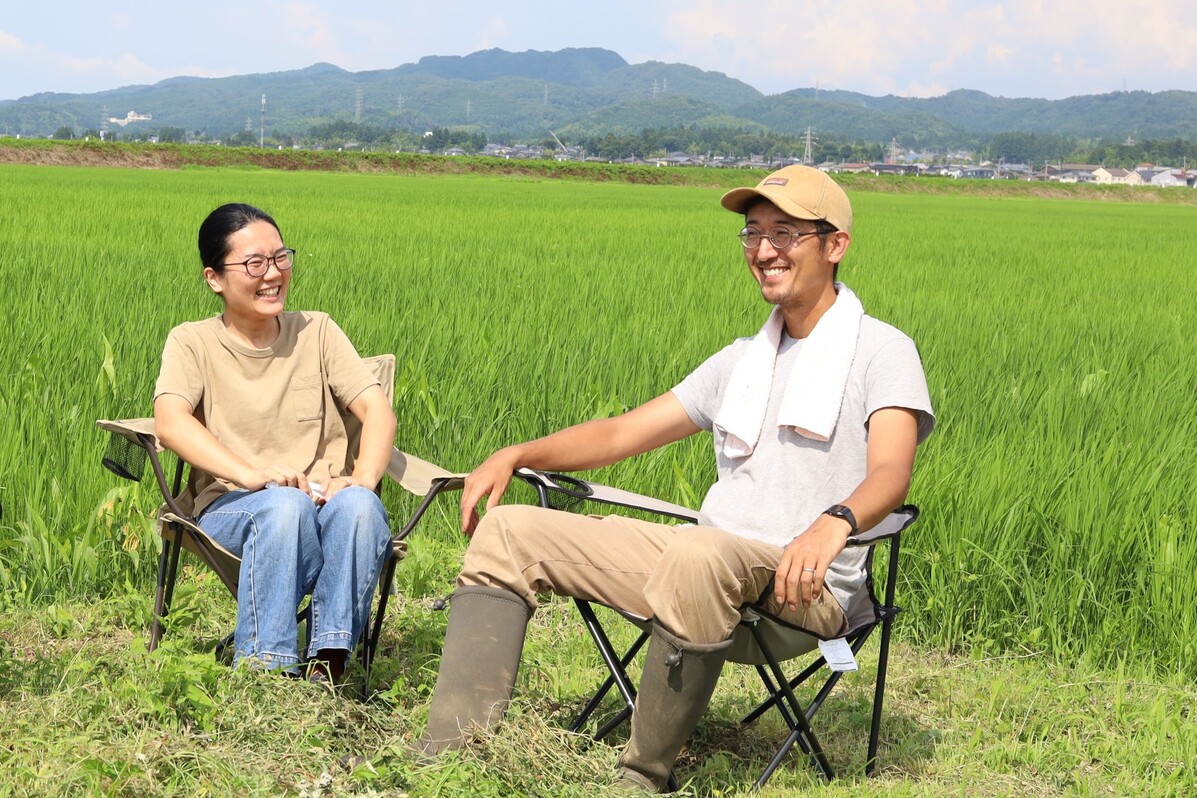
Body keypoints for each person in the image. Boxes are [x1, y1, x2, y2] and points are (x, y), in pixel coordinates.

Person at [416, 165, 935, 791]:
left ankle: (640, 777)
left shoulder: (883, 351)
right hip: (710, 562)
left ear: (835, 245)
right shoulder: (743, 360)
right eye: (753, 233)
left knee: (700, 552)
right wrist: (516, 453)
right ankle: (447, 758)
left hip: (807, 587)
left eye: (786, 233)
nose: (765, 250)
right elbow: (619, 434)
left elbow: (891, 473)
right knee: (509, 531)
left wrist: (835, 524)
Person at [153, 203, 396, 684]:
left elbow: (378, 410)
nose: (273, 274)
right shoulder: (192, 342)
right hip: (235, 505)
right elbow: (170, 422)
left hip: (321, 501)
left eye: (280, 257)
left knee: (362, 508)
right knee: (284, 505)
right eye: (254, 264)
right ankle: (267, 675)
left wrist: (363, 480)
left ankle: (329, 664)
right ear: (215, 279)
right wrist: (252, 476)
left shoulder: (318, 331)